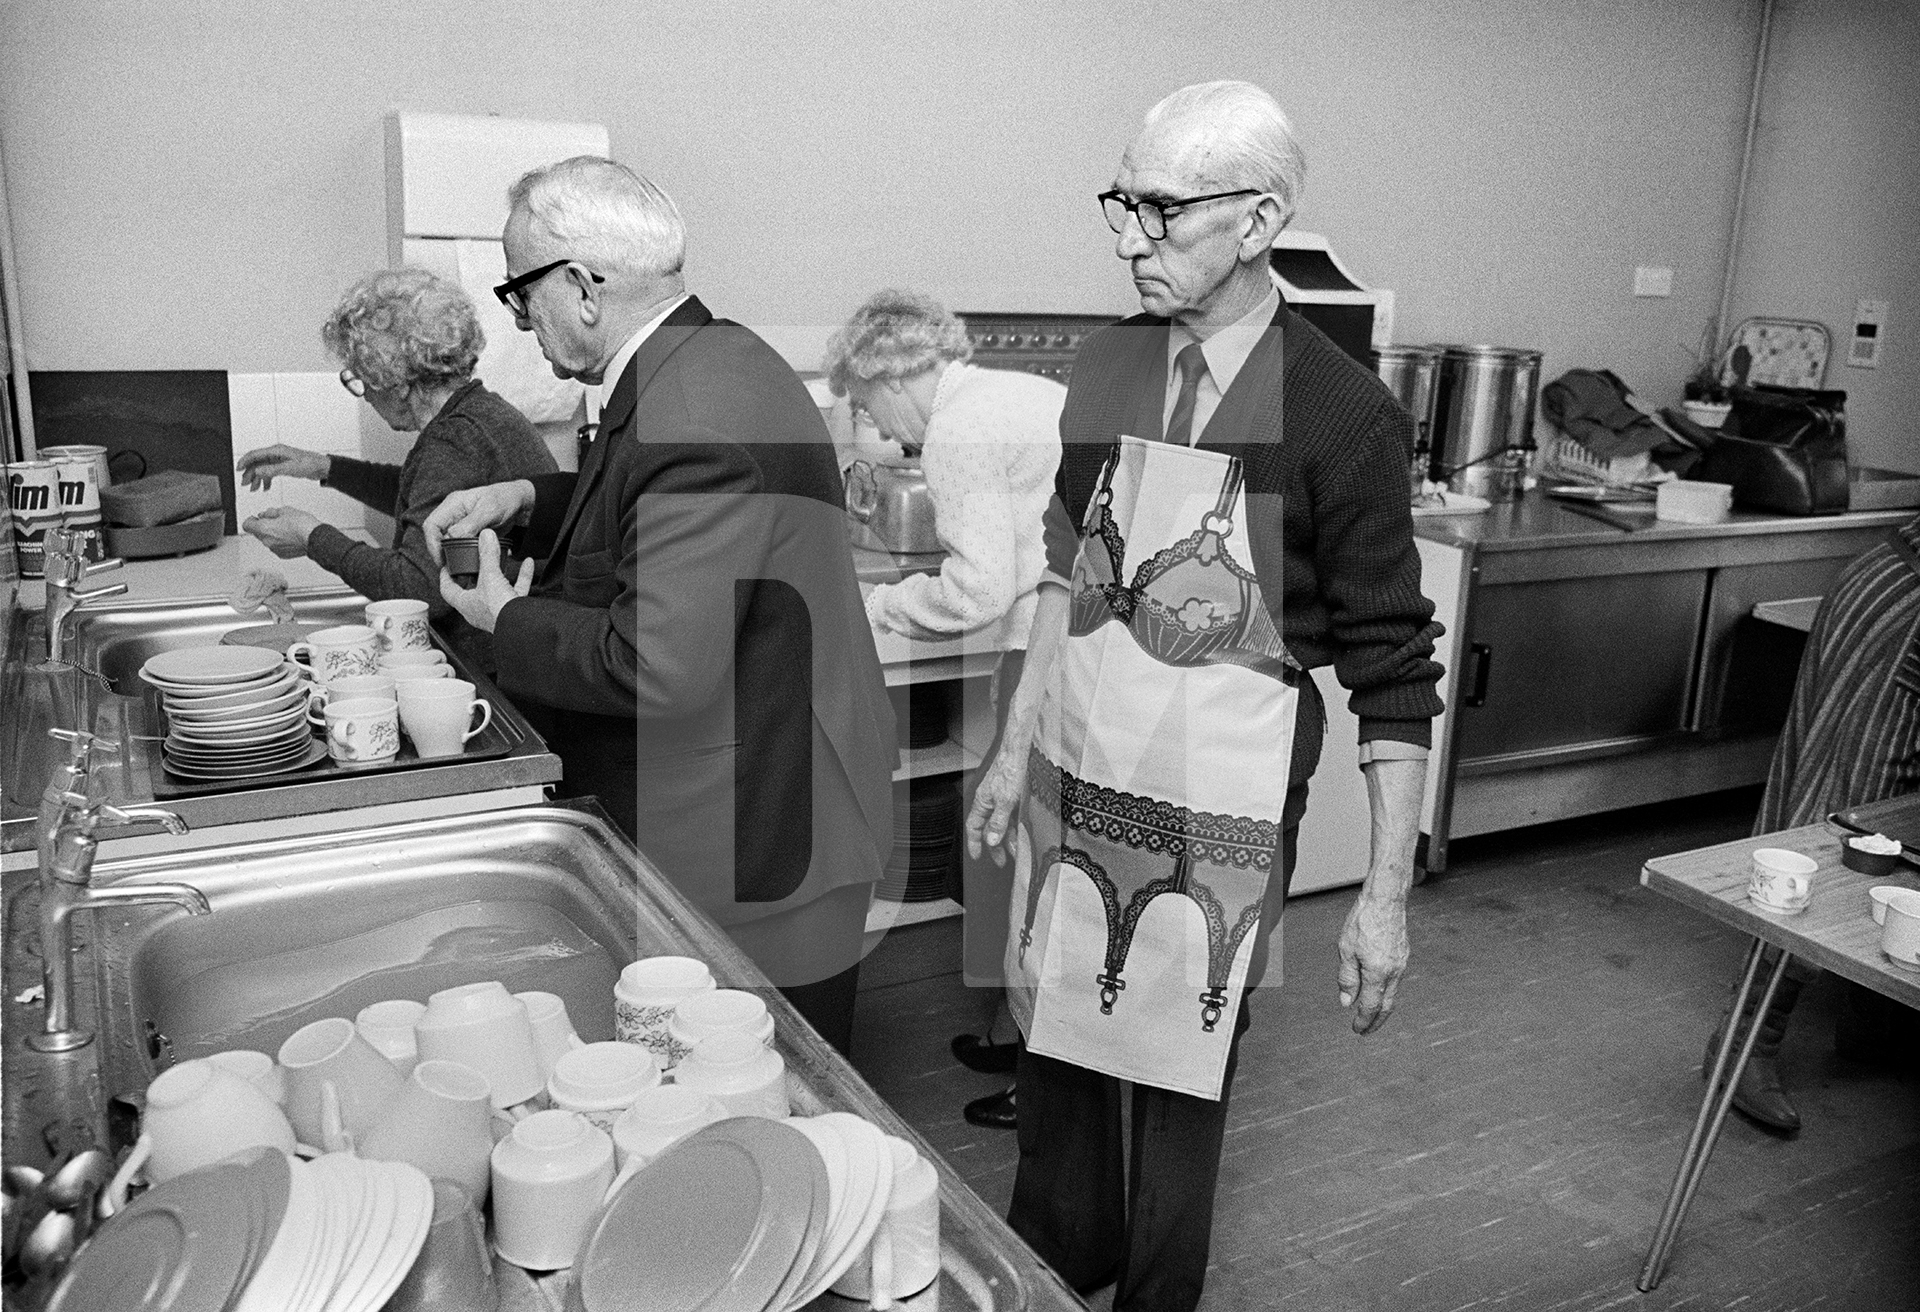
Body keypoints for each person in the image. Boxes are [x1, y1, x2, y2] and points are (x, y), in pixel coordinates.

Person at [965, 81, 1443, 1312]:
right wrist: (1015, 749)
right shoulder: (1114, 353)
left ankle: (1156, 1292)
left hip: (1223, 772)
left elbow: (1394, 672)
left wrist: (1384, 896)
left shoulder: (1341, 413)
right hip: (1084, 745)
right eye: (1121, 201)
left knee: (1185, 1047)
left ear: (1259, 218)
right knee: (1059, 1013)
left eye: (1161, 211)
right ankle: (1057, 1258)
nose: (1128, 235)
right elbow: (1073, 562)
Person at [422, 157, 894, 1055]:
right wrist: (529, 498)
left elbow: (657, 664)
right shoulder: (702, 362)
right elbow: (656, 525)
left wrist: (501, 618)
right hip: (767, 796)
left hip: (761, 833)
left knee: (761, 1095)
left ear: (584, 287)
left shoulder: (692, 412)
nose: (522, 321)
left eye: (521, 297)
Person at [822, 289, 1065, 1128]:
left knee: (1032, 860)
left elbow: (980, 588)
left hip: (1042, 648)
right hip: (1078, 640)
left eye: (862, 404)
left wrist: (881, 608)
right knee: (1037, 853)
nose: (877, 429)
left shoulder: (959, 430)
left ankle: (1042, 1084)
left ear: (887, 375)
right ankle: (1022, 1041)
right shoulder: (1018, 390)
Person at [1703, 513, 1920, 1132]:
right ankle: (1746, 1040)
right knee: (1846, 827)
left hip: (1894, 593)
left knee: (1900, 822)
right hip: (1905, 611)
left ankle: (1875, 1017)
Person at [237, 267, 557, 671]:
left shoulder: (455, 438)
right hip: (518, 651)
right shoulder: (478, 415)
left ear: (395, 381)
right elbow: (423, 501)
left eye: (361, 379)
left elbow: (415, 587)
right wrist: (322, 467)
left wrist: (312, 537)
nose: (365, 395)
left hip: (503, 669)